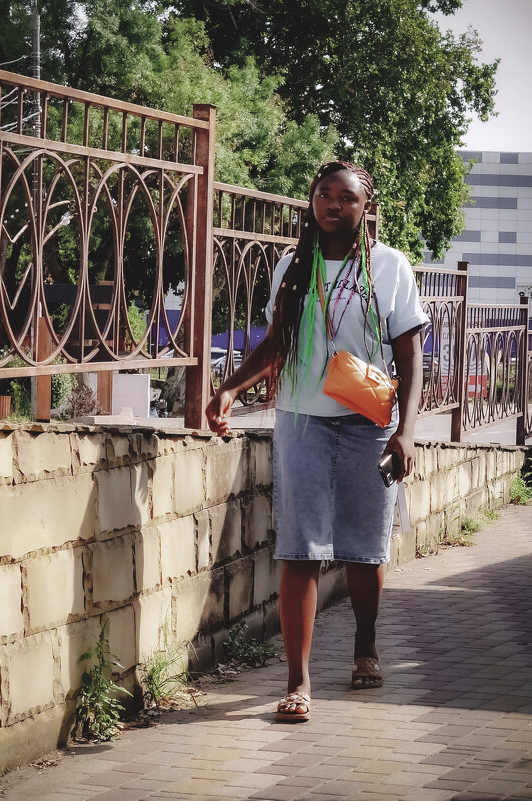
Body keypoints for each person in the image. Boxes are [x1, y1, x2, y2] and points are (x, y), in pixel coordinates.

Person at [205, 161, 428, 721]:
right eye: (323, 195)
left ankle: (365, 646)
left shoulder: (390, 267)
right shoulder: (292, 265)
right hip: (301, 421)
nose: (332, 205)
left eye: (345, 198)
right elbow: (276, 344)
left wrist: (407, 430)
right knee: (299, 548)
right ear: (312, 203)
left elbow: (409, 356)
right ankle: (298, 681)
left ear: (364, 208)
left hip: (369, 424)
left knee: (363, 546)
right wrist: (230, 388)